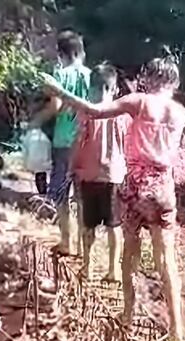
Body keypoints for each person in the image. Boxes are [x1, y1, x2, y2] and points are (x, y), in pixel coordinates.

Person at [42, 56, 185, 341]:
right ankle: (176, 334)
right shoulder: (181, 113)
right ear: (174, 84)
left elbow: (94, 111)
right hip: (162, 190)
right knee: (166, 262)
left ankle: (127, 315)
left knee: (129, 259)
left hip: (133, 188)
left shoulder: (138, 101)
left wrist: (60, 91)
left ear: (147, 79)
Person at [71, 63, 132, 282]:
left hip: (89, 174)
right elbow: (128, 144)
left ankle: (87, 267)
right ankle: (113, 270)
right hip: (115, 175)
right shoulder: (122, 115)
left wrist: (73, 166)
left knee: (88, 224)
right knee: (114, 224)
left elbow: (78, 142)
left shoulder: (85, 113)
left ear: (90, 87)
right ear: (114, 89)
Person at [47, 30, 91, 254]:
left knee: (61, 194)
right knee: (83, 196)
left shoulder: (59, 75)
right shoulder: (92, 76)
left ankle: (67, 242)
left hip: (64, 141)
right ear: (81, 52)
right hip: (87, 144)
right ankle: (85, 249)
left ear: (60, 53)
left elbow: (55, 107)